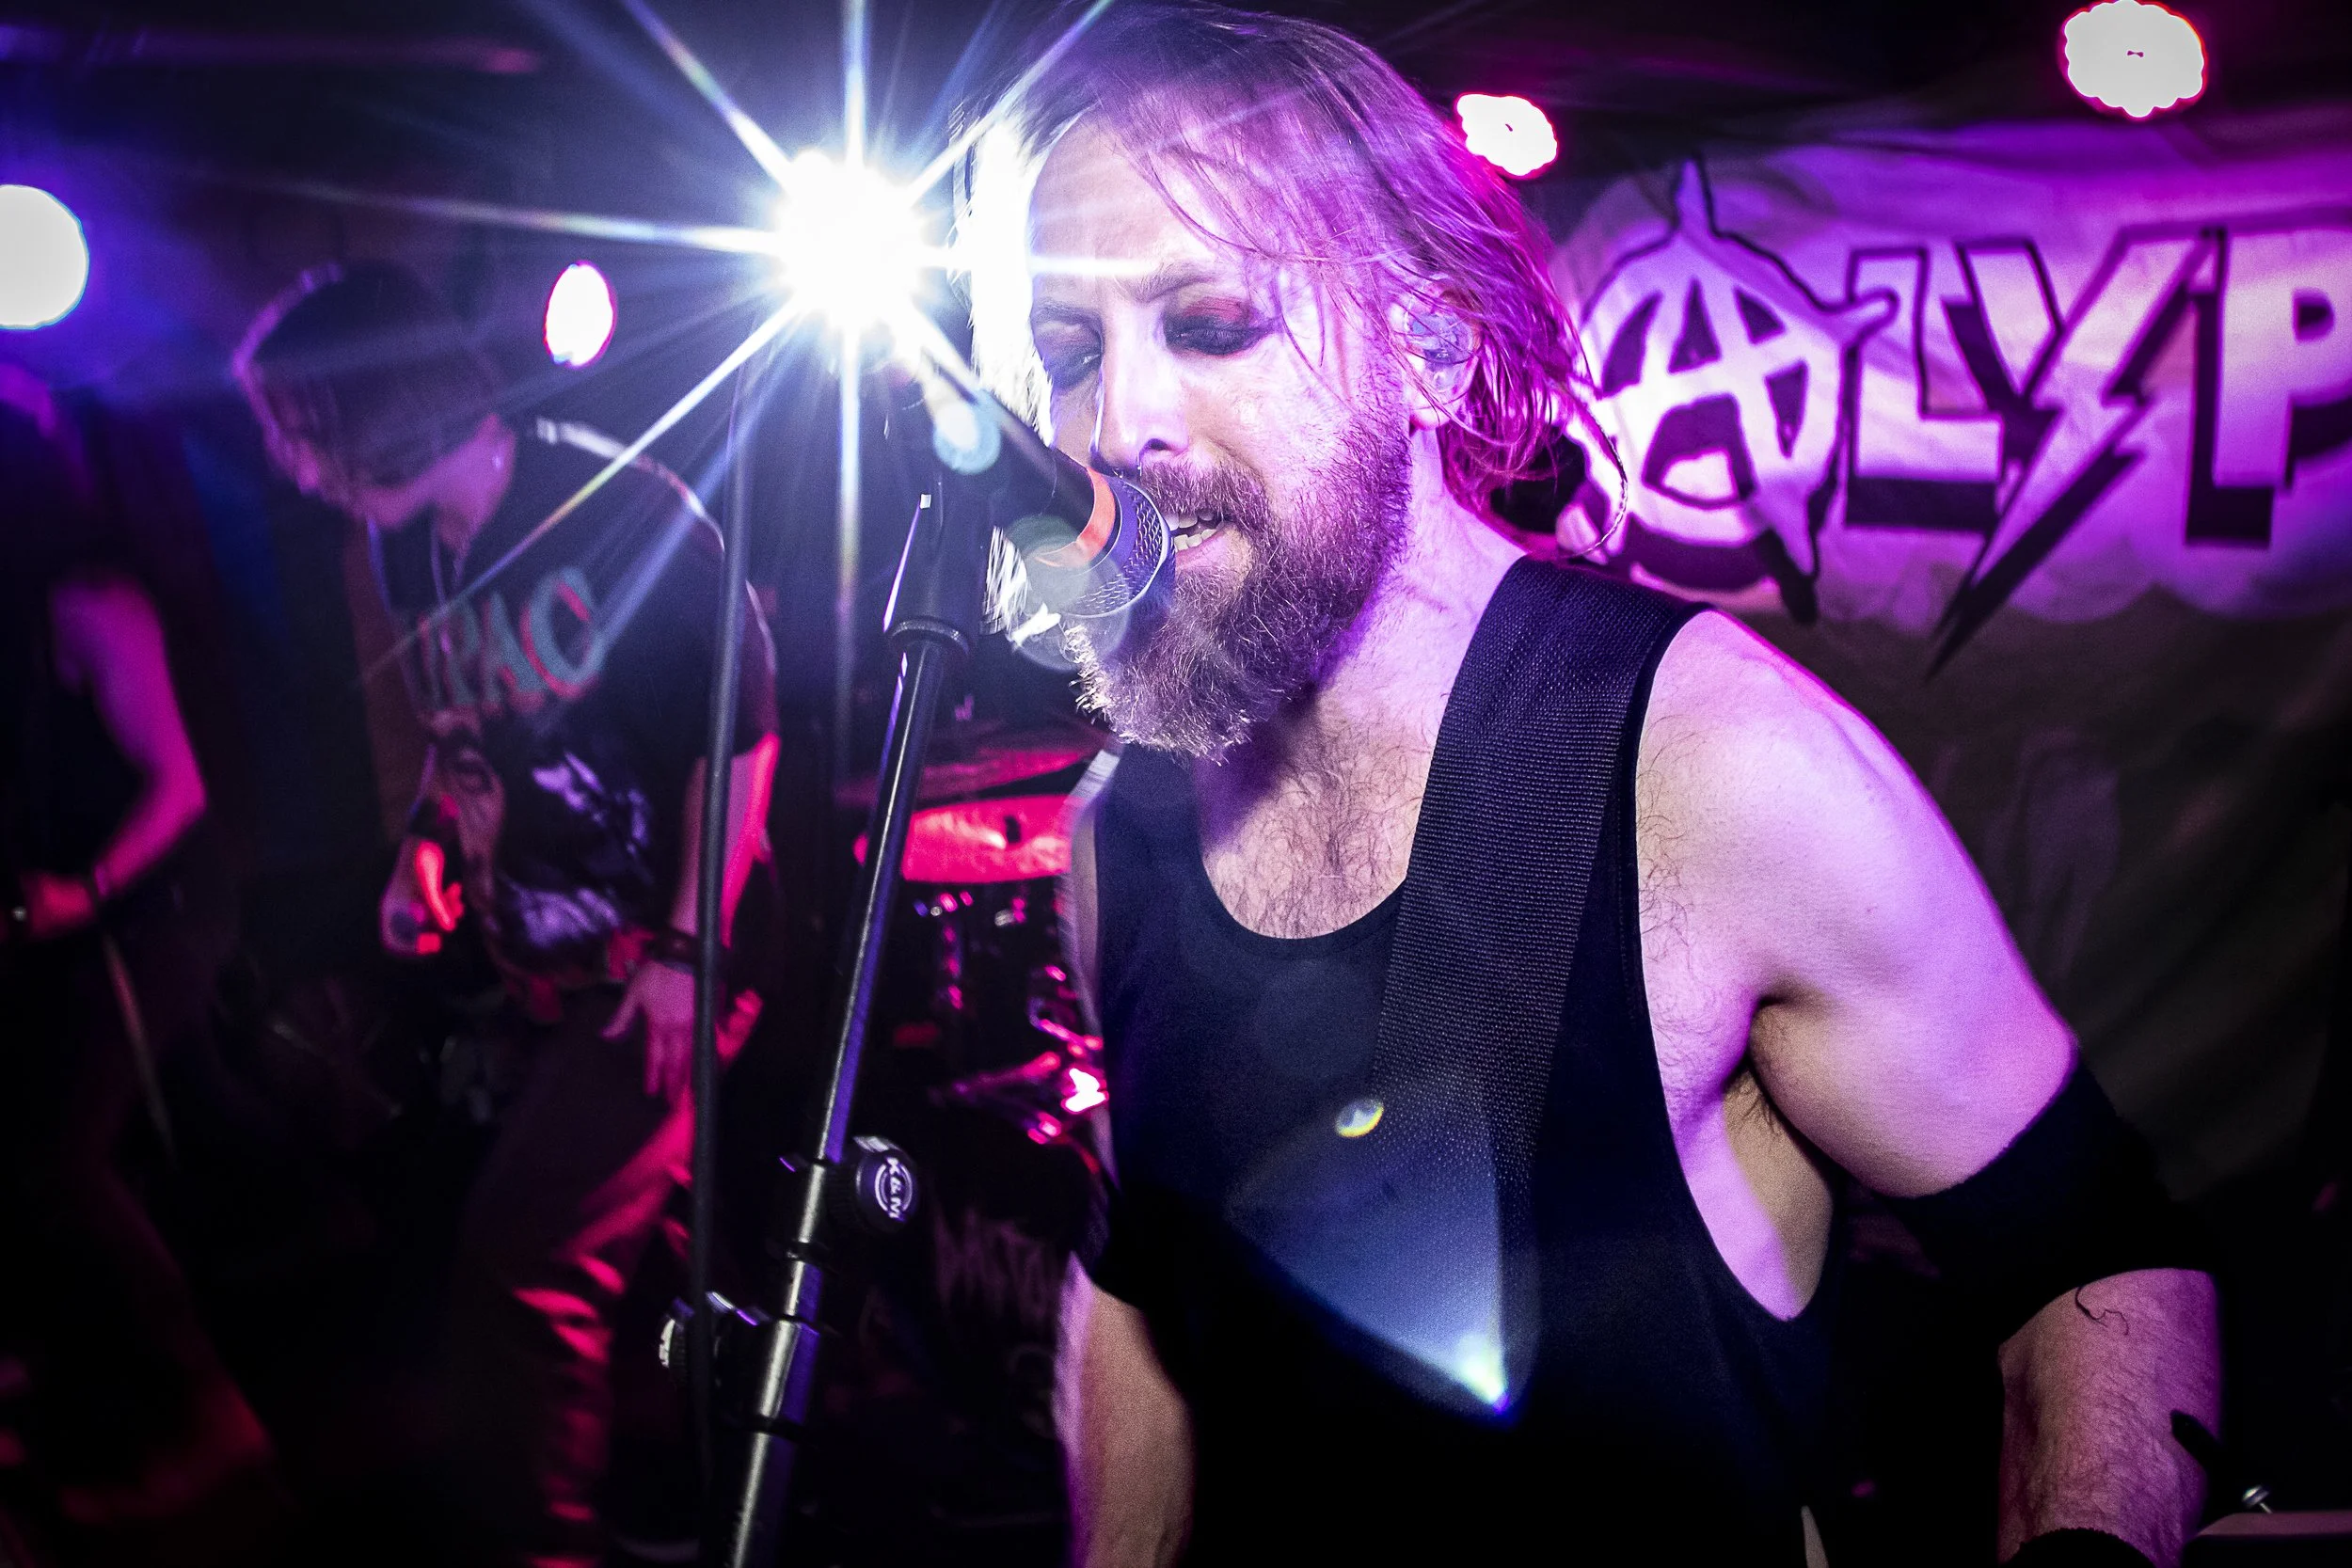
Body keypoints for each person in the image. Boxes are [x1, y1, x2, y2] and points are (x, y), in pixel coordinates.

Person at [956, 7, 2222, 1565]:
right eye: (1070, 354)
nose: (1115, 426)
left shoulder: (1714, 768)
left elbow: (2102, 1259)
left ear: (1428, 352)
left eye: (1211, 324)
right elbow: (1141, 1267)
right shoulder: (1123, 826)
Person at [234, 262, 779, 1566]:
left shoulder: (616, 506)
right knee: (649, 1252)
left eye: (304, 429)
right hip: (551, 962)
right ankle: (707, 1476)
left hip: (665, 962)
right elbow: (463, 725)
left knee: (522, 1256)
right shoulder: (401, 542)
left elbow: (742, 736)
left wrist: (689, 950)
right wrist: (428, 847)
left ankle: (550, 1543)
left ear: (382, 404)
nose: (293, 465)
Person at [0, 380, 266, 1525]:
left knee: (56, 1154)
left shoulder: (94, 600)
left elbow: (180, 785)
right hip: (89, 918)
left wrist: (84, 890)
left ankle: (214, 1415)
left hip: (165, 904)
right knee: (181, 1110)